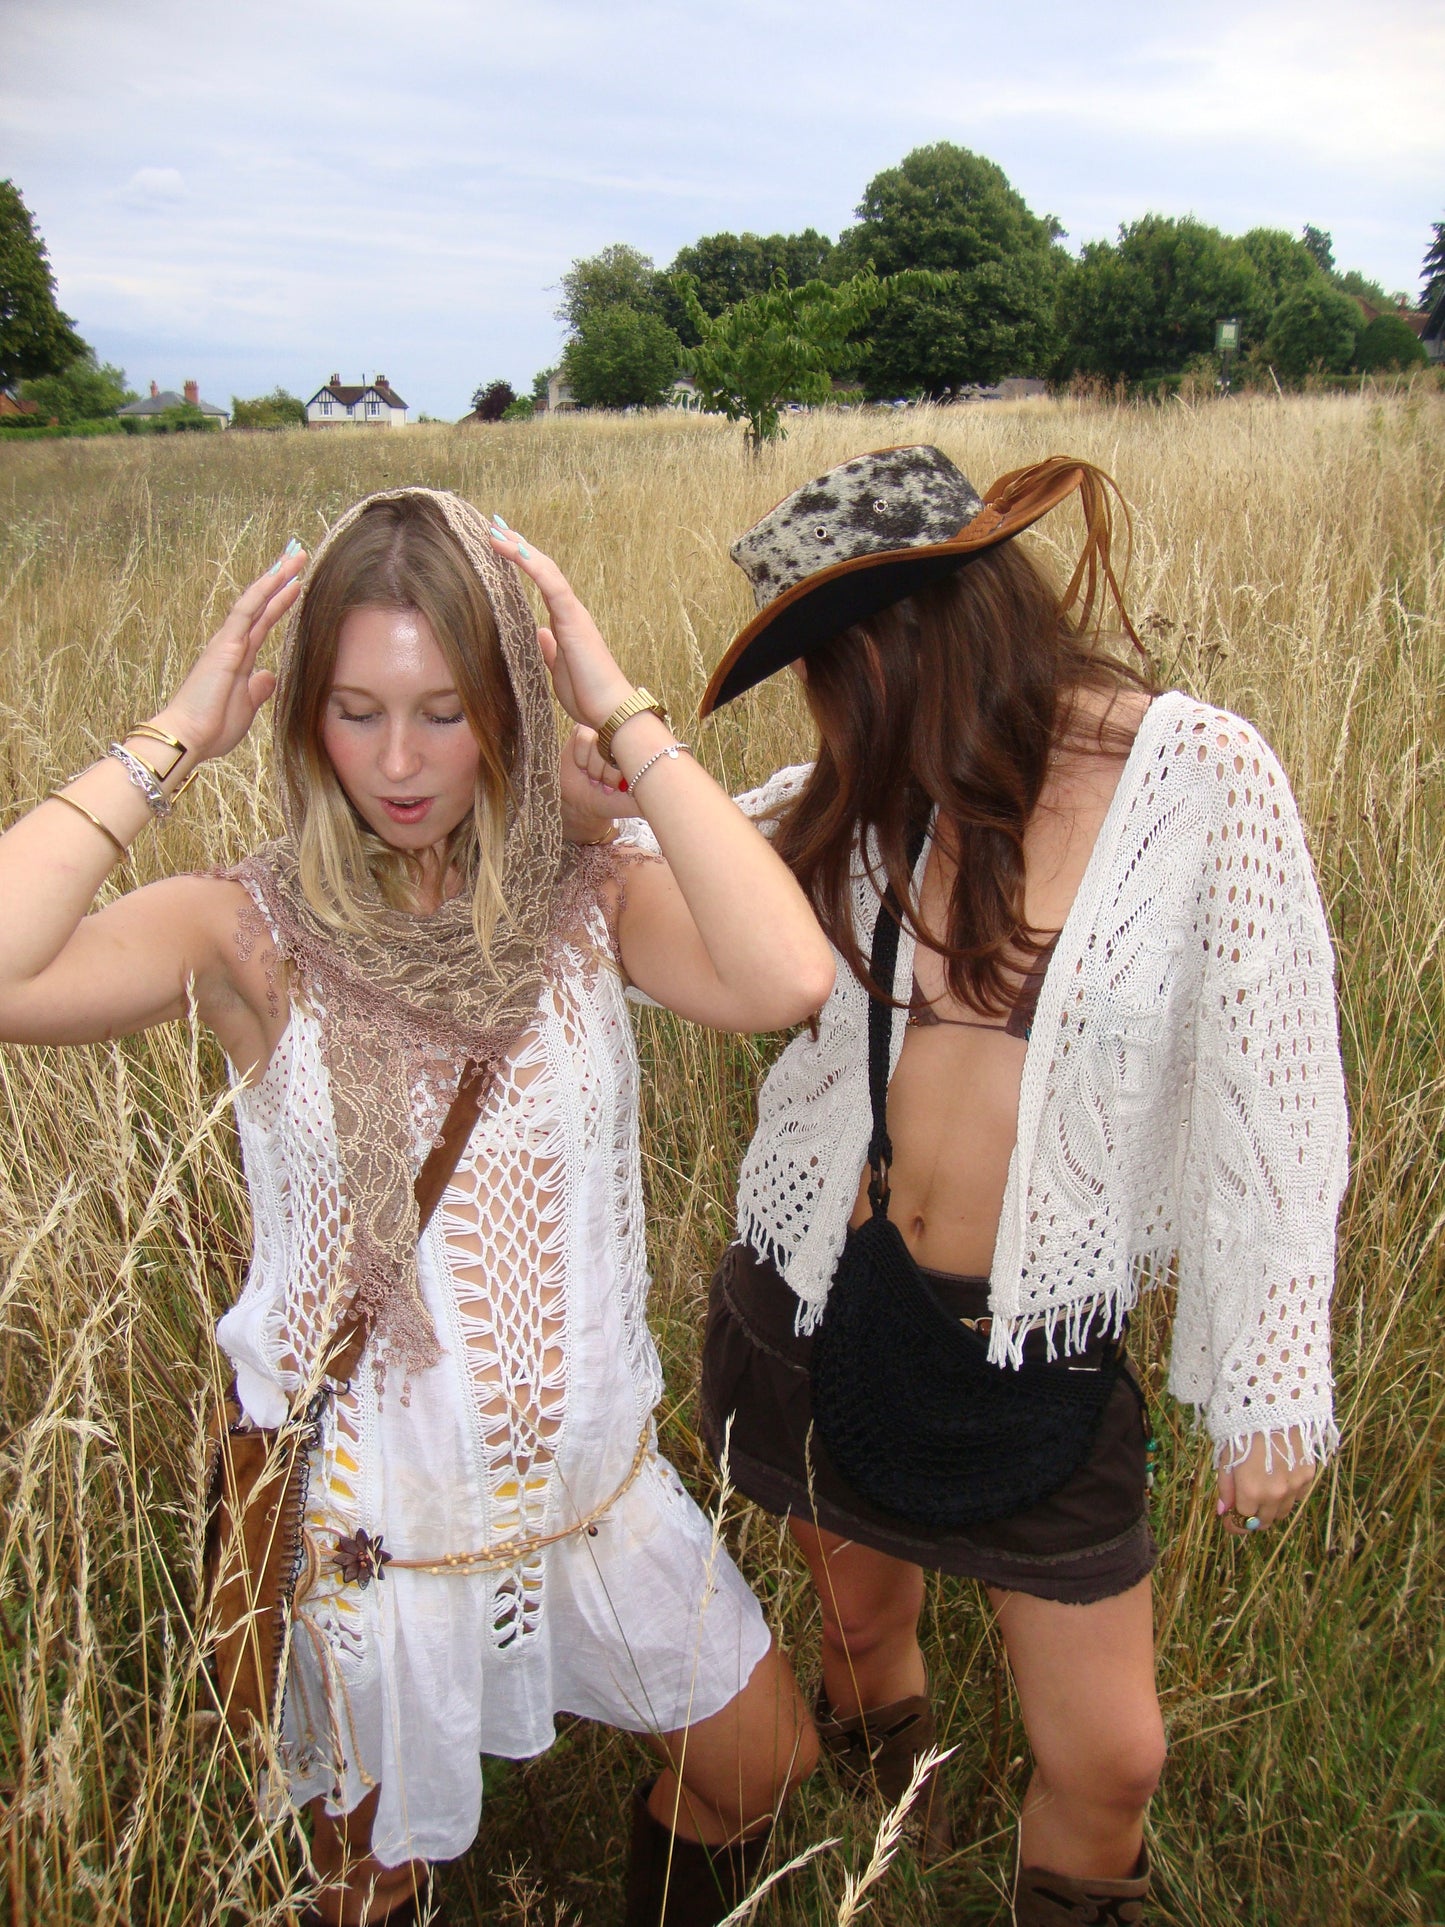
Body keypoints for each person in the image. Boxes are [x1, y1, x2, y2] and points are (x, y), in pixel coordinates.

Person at [0, 488, 833, 1926]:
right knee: (367, 1887)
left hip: (592, 1495)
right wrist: (176, 735)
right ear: (302, 716)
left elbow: (785, 980)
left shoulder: (588, 901)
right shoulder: (245, 934)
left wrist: (619, 709)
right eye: (355, 709)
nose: (398, 763)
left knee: (761, 1762)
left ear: (509, 705)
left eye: (446, 711)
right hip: (373, 1524)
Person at [580, 448, 1349, 1925]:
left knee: (1113, 1756)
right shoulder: (855, 786)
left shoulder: (1201, 779)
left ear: (933, 630)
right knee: (860, 1631)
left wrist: (1268, 1372)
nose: (831, 709)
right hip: (817, 1300)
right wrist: (579, 796)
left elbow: (1281, 1094)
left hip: (1034, 1356)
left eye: (837, 664)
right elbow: (672, 874)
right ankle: (883, 1817)